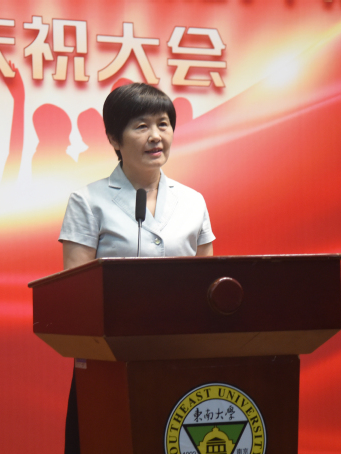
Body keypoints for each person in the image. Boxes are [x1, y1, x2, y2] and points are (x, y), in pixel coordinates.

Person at [58, 83, 215, 452]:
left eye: (163, 124)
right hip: (110, 361)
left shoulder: (193, 201)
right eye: (141, 126)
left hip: (180, 357)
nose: (155, 136)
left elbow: (208, 286)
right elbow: (75, 295)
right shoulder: (88, 201)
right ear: (114, 138)